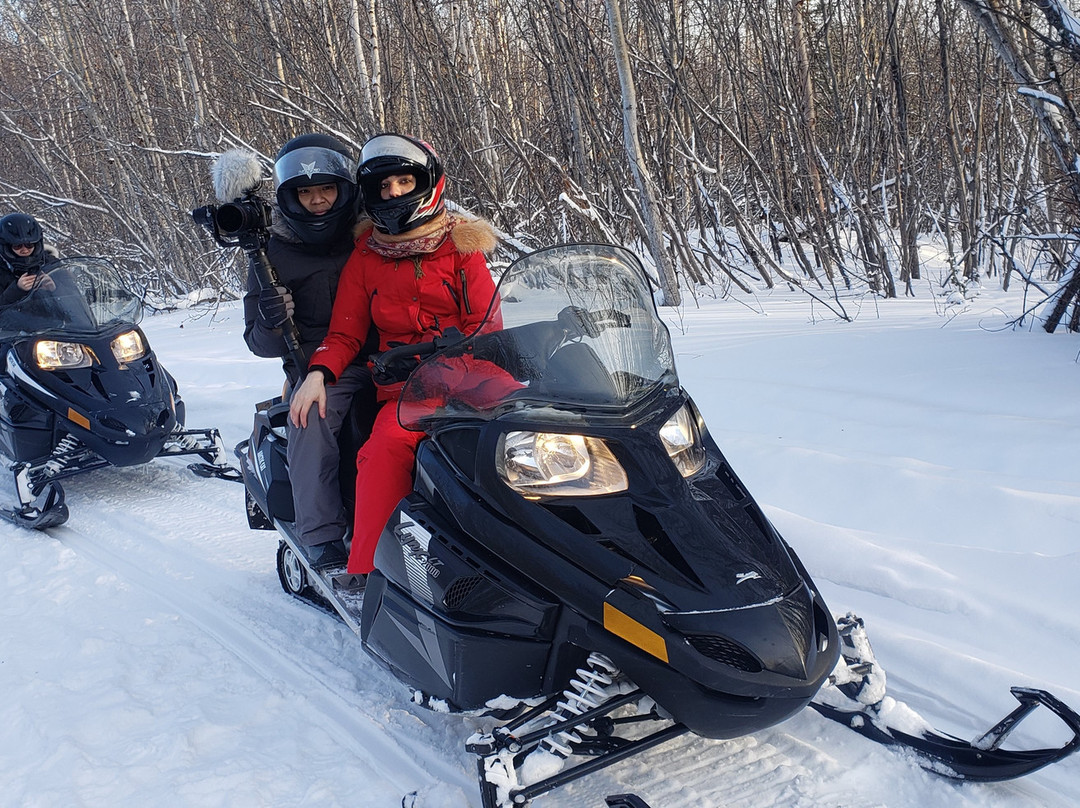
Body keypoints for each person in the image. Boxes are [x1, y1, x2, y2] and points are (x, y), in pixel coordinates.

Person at [289, 133, 514, 581]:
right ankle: (373, 571)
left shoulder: (461, 247)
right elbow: (345, 332)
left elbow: (486, 324)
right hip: (409, 387)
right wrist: (317, 372)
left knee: (535, 431)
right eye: (384, 186)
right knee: (383, 451)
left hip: (473, 376)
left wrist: (461, 360)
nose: (393, 194)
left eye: (404, 181)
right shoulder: (366, 257)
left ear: (426, 182)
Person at [241, 133, 377, 562]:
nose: (317, 201)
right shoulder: (271, 252)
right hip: (318, 364)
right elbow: (258, 343)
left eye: (326, 189)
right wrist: (270, 316)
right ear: (289, 196)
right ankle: (320, 534)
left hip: (392, 354)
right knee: (311, 416)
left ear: (344, 189)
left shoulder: (371, 232)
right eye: (305, 192)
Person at [0, 212, 57, 304]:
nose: (25, 250)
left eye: (29, 245)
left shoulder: (52, 264)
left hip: (52, 317)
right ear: (6, 247)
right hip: (13, 318)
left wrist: (55, 288)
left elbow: (75, 298)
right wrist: (17, 290)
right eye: (17, 246)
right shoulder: (2, 270)